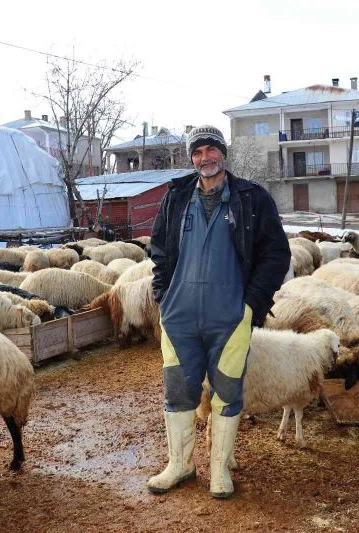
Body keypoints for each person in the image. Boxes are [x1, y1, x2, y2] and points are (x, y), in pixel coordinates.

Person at [147, 125, 291, 498]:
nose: (204, 158)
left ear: (222, 153)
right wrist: (162, 295)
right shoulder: (176, 196)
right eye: (197, 152)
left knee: (227, 391)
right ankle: (180, 465)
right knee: (179, 390)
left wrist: (252, 304)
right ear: (191, 158)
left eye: (211, 150)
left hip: (230, 316)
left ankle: (219, 469)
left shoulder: (251, 197)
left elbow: (276, 254)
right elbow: (159, 247)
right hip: (179, 314)